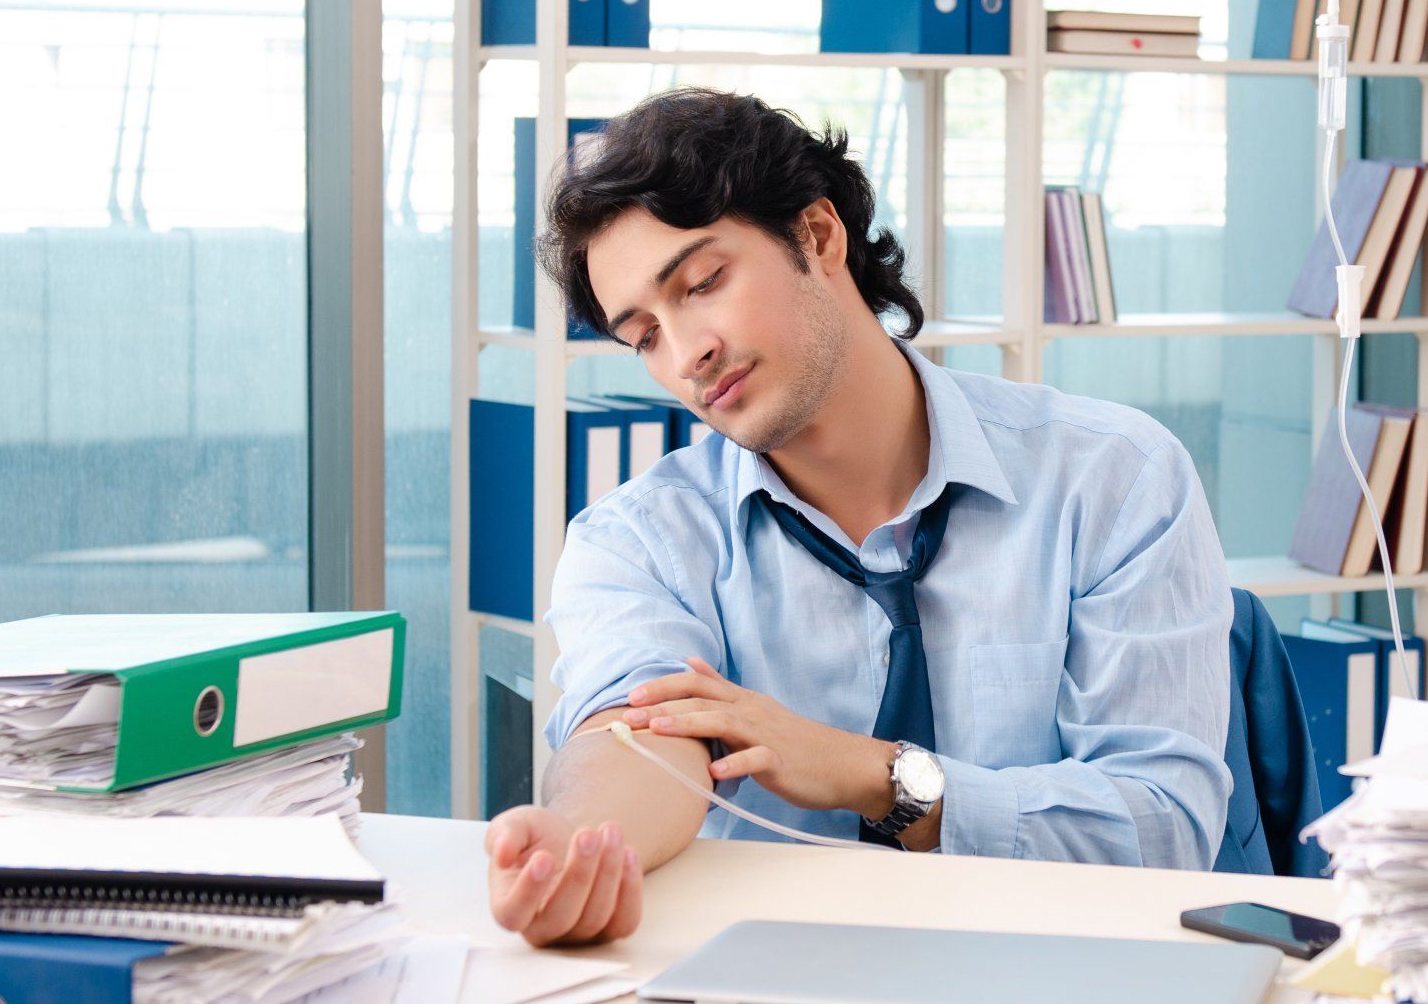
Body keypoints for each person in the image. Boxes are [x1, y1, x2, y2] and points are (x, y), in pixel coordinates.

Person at [484, 87, 1235, 947]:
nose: (688, 354)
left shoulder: (1114, 478)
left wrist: (873, 775)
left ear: (818, 235)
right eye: (644, 335)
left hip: (1053, 972)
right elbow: (639, 738)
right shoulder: (637, 542)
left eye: (703, 283)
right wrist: (581, 844)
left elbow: (1163, 829)